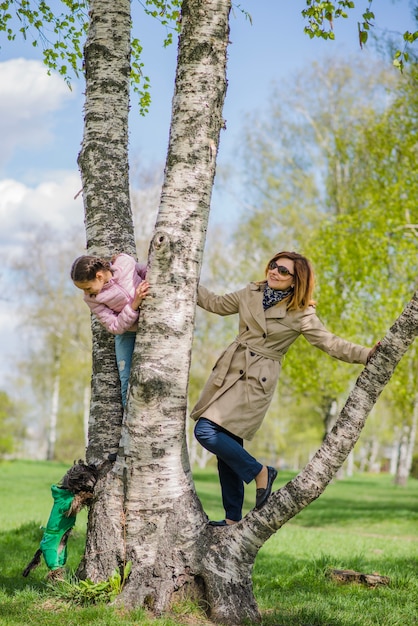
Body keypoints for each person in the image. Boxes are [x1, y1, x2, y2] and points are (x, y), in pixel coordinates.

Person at [191, 251, 377, 526]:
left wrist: (365, 354)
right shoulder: (250, 292)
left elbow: (330, 343)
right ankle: (232, 518)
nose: (274, 272)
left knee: (205, 431)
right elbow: (216, 303)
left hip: (256, 380)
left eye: (283, 271)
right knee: (226, 446)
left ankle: (261, 472)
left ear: (295, 281)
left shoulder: (301, 313)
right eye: (273, 266)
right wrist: (182, 281)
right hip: (230, 370)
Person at [71, 253, 150, 406]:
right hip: (127, 332)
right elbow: (113, 326)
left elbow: (146, 271)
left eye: (87, 287)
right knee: (126, 380)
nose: (86, 293)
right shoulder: (91, 299)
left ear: (99, 276)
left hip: (153, 323)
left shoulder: (125, 263)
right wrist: (134, 304)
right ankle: (129, 422)